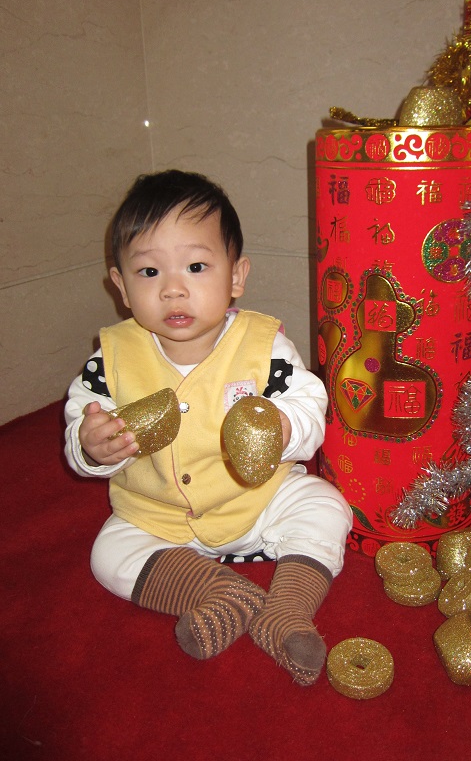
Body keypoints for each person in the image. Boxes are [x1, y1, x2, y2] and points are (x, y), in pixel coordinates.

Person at [64, 169, 352, 686]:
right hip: (159, 515)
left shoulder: (264, 346)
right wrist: (91, 447)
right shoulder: (111, 359)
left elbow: (310, 403)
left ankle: (287, 608)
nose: (173, 289)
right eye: (149, 272)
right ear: (121, 286)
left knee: (325, 505)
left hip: (257, 500)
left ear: (236, 277)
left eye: (196, 267)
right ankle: (219, 593)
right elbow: (82, 419)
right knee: (108, 555)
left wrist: (285, 427)